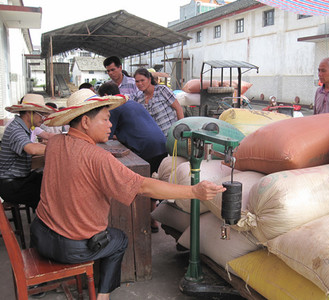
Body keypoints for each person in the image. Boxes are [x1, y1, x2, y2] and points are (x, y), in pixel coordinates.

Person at [30, 89, 225, 300]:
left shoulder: (55, 143)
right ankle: (102, 296)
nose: (110, 125)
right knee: (119, 239)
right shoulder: (98, 157)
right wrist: (194, 191)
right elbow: (143, 186)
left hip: (39, 235)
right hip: (70, 249)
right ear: (85, 122)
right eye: (105, 119)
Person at [98, 82, 168, 232]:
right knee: (152, 182)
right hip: (161, 144)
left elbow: (105, 136)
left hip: (145, 148)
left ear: (106, 97)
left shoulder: (114, 108)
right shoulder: (132, 103)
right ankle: (153, 220)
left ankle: (140, 223)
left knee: (140, 185)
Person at [0, 94, 56, 209]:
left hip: (19, 179)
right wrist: (59, 148)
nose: (43, 119)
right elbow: (32, 149)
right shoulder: (15, 128)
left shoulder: (24, 128)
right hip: (10, 184)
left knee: (50, 181)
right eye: (41, 115)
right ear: (29, 113)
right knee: (50, 194)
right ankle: (45, 224)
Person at [134, 68, 184, 136]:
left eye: (142, 80)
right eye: (137, 81)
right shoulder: (139, 99)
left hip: (170, 136)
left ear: (149, 79)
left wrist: (180, 131)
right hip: (155, 139)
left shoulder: (162, 90)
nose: (140, 83)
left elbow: (179, 109)